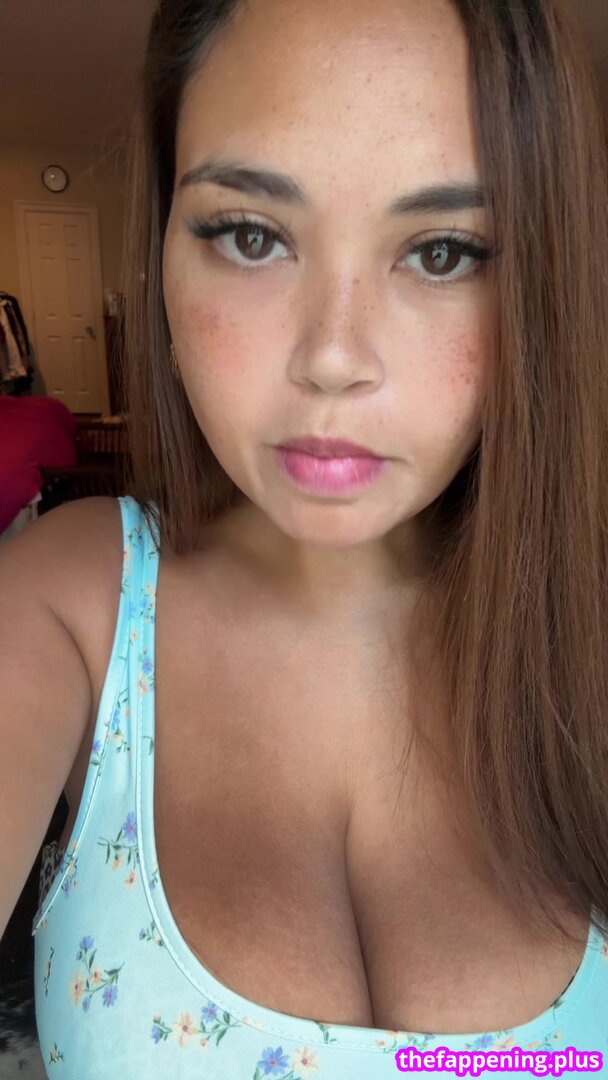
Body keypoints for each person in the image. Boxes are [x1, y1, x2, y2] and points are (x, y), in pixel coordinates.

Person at [2, 0, 608, 1076]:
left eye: (442, 251)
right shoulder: (69, 603)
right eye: (251, 236)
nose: (332, 356)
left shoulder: (586, 625)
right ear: (163, 249)